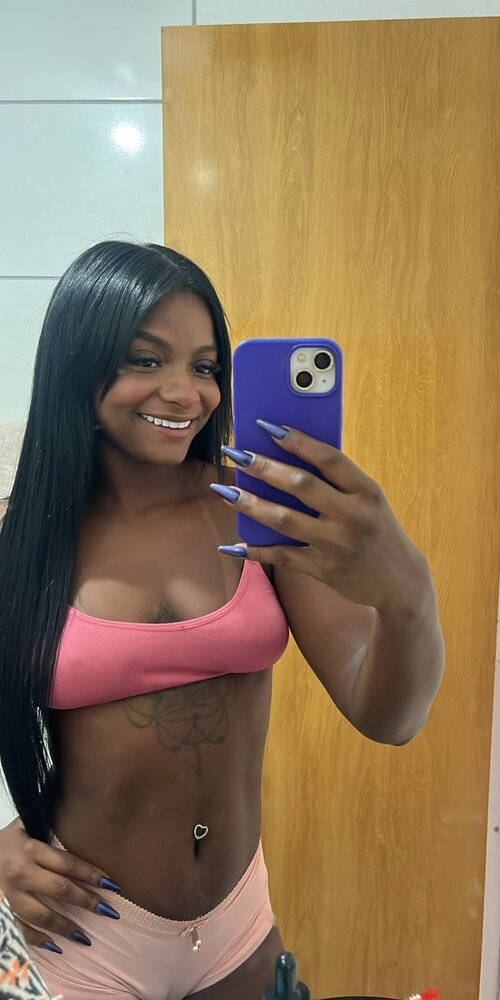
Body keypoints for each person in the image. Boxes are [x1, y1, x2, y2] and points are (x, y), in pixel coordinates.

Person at [0, 241, 445, 1000]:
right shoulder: (22, 539)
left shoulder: (259, 512)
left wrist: (409, 595)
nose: (185, 393)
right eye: (147, 359)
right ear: (78, 361)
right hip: (81, 934)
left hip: (238, 925)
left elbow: (389, 716)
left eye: (205, 366)